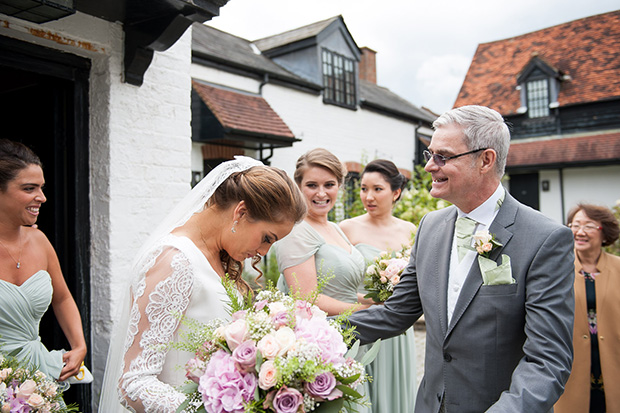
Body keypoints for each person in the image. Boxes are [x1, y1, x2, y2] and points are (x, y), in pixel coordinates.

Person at [346, 105, 575, 412]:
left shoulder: (545, 239)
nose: (429, 166)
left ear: (485, 160)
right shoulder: (430, 226)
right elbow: (396, 313)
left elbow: (547, 362)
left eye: (443, 156)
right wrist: (313, 331)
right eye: (430, 155)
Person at [99, 157, 306, 412]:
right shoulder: (175, 261)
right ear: (240, 212)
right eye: (267, 238)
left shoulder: (219, 259)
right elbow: (134, 382)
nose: (263, 251)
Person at [0, 139, 87, 382]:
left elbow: (63, 297)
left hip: (37, 379)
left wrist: (79, 345)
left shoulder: (39, 240)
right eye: (29, 188)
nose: (42, 197)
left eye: (41, 187)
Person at [339, 159, 418, 413]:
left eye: (377, 189)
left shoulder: (411, 231)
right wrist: (366, 299)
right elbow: (338, 283)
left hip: (398, 328)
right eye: (363, 189)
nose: (368, 197)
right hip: (363, 321)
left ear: (396, 192)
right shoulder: (346, 229)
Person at [273, 148, 370, 316]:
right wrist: (366, 311)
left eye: (329, 185)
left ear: (339, 186)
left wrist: (375, 300)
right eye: (312, 185)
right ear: (299, 187)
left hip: (353, 326)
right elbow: (306, 299)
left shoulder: (335, 228)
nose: (321, 193)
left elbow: (341, 291)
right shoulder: (295, 230)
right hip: (320, 331)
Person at [555, 203, 620, 413]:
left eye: (589, 226)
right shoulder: (557, 269)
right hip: (572, 369)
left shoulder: (618, 267)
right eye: (575, 225)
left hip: (614, 362)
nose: (580, 232)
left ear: (605, 233)